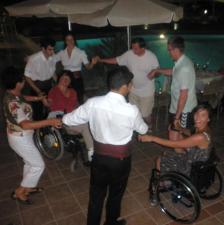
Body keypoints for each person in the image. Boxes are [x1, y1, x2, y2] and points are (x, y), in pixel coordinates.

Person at [62, 66, 148, 225]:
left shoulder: (93, 103)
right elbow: (143, 129)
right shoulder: (131, 110)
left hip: (99, 157)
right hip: (121, 160)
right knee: (115, 194)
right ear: (125, 87)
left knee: (96, 195)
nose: (131, 87)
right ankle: (111, 223)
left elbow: (67, 120)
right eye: (131, 84)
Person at [1, 66, 62, 204]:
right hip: (20, 138)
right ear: (17, 83)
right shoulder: (12, 103)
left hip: (22, 136)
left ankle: (28, 187)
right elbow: (25, 124)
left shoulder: (12, 93)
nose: (24, 82)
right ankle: (19, 191)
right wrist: (50, 121)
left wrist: (38, 98)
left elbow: (23, 98)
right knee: (38, 165)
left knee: (30, 162)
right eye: (22, 81)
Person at [139, 104, 212, 203]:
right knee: (167, 152)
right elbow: (189, 133)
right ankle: (168, 181)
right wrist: (179, 128)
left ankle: (161, 185)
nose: (198, 118)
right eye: (197, 114)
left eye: (203, 115)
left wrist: (152, 138)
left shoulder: (200, 137)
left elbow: (174, 144)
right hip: (195, 163)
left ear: (208, 119)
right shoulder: (205, 130)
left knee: (160, 159)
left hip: (189, 169)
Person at [97, 37, 159, 130]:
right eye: (132, 47)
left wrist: (154, 74)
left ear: (143, 48)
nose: (133, 50)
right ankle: (136, 129)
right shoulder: (129, 54)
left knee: (145, 115)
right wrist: (101, 60)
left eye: (136, 48)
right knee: (133, 113)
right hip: (133, 89)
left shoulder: (151, 57)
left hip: (147, 91)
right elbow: (116, 60)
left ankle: (149, 125)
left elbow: (158, 71)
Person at [148, 36, 197, 149]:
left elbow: (183, 95)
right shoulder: (181, 62)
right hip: (176, 108)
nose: (168, 52)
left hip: (183, 110)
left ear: (176, 50)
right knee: (174, 136)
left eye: (169, 50)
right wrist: (157, 70)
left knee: (180, 138)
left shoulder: (184, 67)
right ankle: (181, 158)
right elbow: (173, 72)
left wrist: (177, 117)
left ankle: (186, 159)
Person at [46, 70, 94, 161]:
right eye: (63, 77)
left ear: (70, 81)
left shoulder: (73, 91)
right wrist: (45, 102)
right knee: (84, 126)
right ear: (59, 79)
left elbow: (76, 106)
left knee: (91, 120)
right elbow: (49, 104)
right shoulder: (54, 90)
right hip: (59, 117)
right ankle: (91, 152)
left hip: (72, 116)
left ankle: (93, 144)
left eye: (68, 79)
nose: (65, 80)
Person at [55, 32, 98, 103]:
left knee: (78, 100)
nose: (70, 41)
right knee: (64, 100)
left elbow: (88, 67)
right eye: (68, 40)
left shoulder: (81, 52)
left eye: (71, 39)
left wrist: (92, 63)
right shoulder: (61, 53)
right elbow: (52, 60)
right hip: (64, 81)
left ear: (74, 40)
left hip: (76, 80)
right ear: (65, 41)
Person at [24, 37, 57, 120]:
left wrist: (57, 84)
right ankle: (38, 131)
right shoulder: (34, 59)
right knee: (38, 113)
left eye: (53, 49)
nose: (52, 52)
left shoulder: (53, 57)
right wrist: (38, 91)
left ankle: (48, 130)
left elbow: (53, 73)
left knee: (50, 110)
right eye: (50, 50)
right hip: (37, 88)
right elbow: (27, 76)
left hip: (49, 86)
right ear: (43, 49)